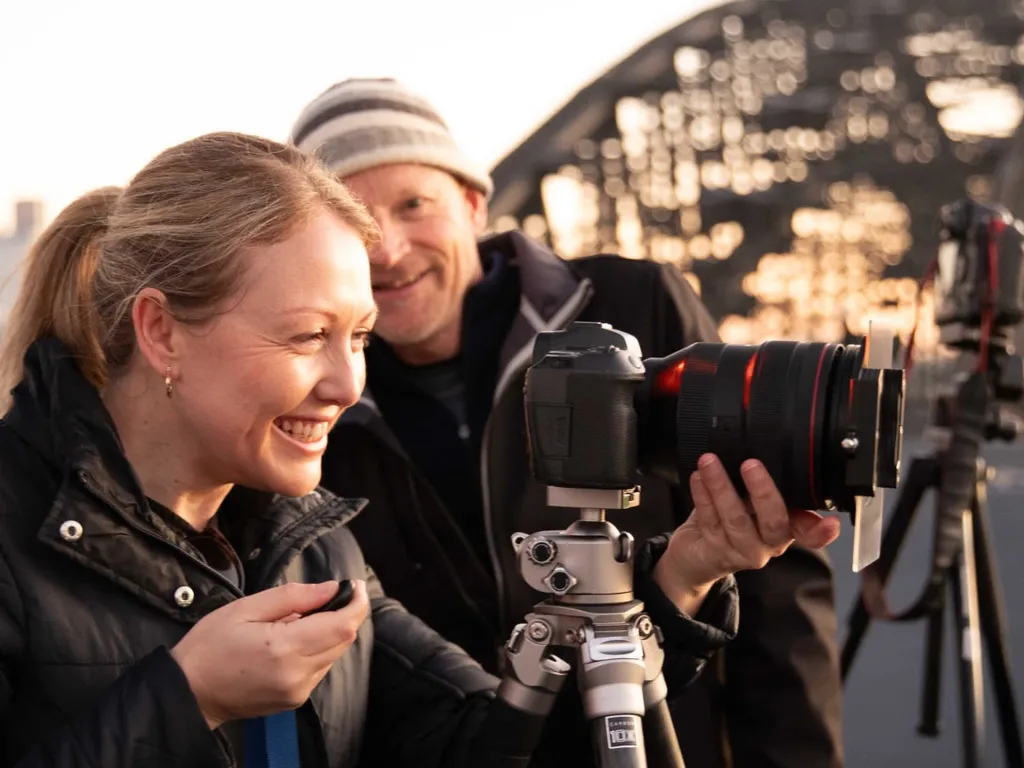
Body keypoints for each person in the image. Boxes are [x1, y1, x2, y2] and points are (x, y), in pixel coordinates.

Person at [0, 130, 828, 768]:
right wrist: (188, 699)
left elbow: (500, 749)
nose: (344, 384)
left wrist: (681, 577)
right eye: (306, 337)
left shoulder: (313, 549)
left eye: (358, 337)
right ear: (161, 332)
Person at [290, 78, 846, 767]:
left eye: (414, 206)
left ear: (471, 203)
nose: (389, 251)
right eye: (355, 227)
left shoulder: (634, 307)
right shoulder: (313, 410)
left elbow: (780, 593)